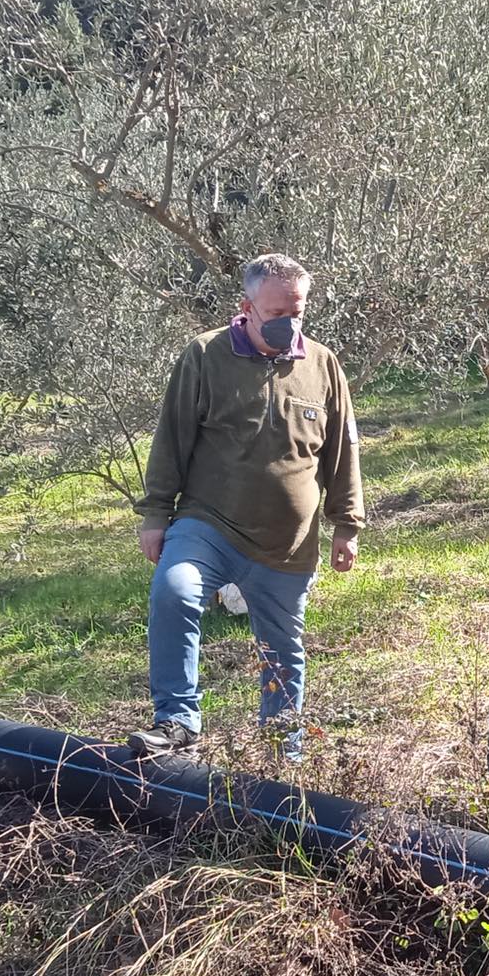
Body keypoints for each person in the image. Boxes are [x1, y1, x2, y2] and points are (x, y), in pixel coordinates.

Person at [133, 253, 364, 758]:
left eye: (297, 312)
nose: (288, 323)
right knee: (173, 593)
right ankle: (178, 724)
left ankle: (281, 753)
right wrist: (156, 514)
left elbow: (342, 451)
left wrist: (346, 524)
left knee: (283, 650)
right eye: (276, 313)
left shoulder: (323, 365)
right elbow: (171, 438)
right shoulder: (205, 355)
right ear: (247, 306)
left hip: (288, 541)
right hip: (208, 523)